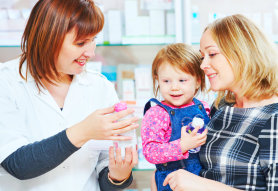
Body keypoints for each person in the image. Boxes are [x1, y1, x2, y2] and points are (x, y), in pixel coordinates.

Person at [0, 0, 139, 190]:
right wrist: (83, 131)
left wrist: (118, 176)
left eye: (93, 40)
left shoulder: (100, 86)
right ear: (48, 39)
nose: (90, 52)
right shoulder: (6, 81)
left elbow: (105, 175)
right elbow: (17, 164)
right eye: (81, 43)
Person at [162, 14, 278, 191]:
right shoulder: (222, 108)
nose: (203, 65)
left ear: (242, 52)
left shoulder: (273, 118)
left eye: (212, 54)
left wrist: (202, 185)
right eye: (202, 57)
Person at [141, 43, 210, 191]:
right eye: (166, 81)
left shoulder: (204, 108)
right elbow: (150, 152)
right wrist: (182, 146)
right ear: (157, 80)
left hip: (203, 181)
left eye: (182, 80)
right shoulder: (156, 114)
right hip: (171, 183)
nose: (174, 87)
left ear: (198, 81)